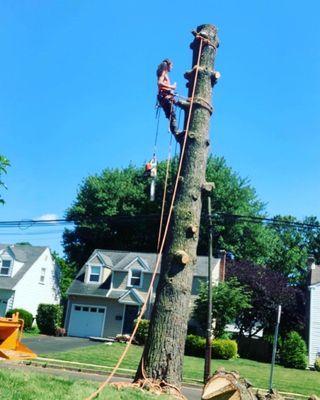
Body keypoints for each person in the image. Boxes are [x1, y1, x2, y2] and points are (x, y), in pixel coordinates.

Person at [157, 59, 180, 136]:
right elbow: (159, 83)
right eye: (171, 65)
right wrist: (172, 87)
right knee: (172, 115)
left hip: (164, 97)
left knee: (171, 116)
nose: (172, 67)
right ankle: (176, 132)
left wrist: (171, 92)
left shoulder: (164, 73)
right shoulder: (163, 72)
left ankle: (175, 132)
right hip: (164, 97)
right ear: (168, 65)